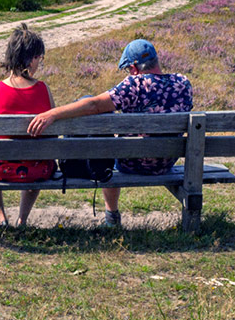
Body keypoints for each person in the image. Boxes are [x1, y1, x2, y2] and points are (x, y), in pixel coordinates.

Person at [26, 39, 192, 228]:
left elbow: (94, 105)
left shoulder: (134, 84)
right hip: (166, 162)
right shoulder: (183, 83)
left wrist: (53, 113)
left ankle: (112, 217)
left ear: (134, 67)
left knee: (93, 107)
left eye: (128, 69)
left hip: (131, 163)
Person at [0, 23, 56, 228]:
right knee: (39, 157)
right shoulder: (44, 90)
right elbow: (52, 138)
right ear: (29, 58)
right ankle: (22, 220)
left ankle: (0, 218)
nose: (39, 62)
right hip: (36, 170)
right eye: (39, 57)